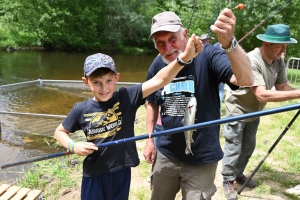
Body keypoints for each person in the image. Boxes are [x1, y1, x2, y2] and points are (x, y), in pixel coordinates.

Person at [53, 35, 203, 200]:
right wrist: (73, 146)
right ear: (85, 82)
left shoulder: (127, 97)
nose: (104, 88)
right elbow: (59, 132)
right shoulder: (80, 109)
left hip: (121, 172)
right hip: (93, 175)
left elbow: (161, 79)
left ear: (117, 77)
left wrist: (184, 59)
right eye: (96, 83)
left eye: (109, 81)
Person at [143, 9, 254, 200]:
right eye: (160, 43)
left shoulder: (209, 55)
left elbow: (245, 80)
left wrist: (229, 43)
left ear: (185, 34)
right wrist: (150, 139)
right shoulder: (157, 64)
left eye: (172, 39)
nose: (168, 47)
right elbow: (151, 102)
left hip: (201, 158)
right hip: (166, 153)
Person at [222, 23, 298, 200]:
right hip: (238, 109)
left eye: (286, 46)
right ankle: (227, 180)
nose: (283, 51)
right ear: (267, 44)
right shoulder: (252, 60)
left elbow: (282, 86)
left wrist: (297, 94)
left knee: (248, 146)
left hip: (255, 111)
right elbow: (262, 94)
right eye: (280, 46)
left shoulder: (278, 60)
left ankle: (238, 174)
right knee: (233, 147)